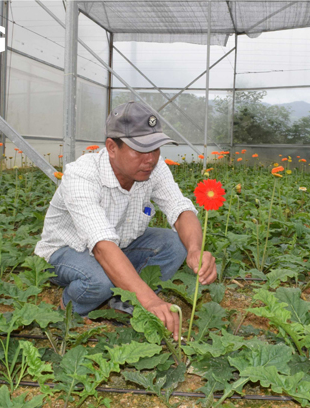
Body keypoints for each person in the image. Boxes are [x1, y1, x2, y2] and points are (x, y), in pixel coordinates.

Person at [34, 101, 217, 340]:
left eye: (156, 148)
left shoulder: (154, 167)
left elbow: (180, 209)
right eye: (140, 149)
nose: (150, 159)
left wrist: (195, 249)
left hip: (118, 246)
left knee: (176, 244)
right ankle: (68, 313)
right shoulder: (82, 175)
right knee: (98, 280)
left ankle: (124, 301)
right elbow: (101, 246)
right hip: (67, 252)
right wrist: (151, 300)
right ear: (111, 147)